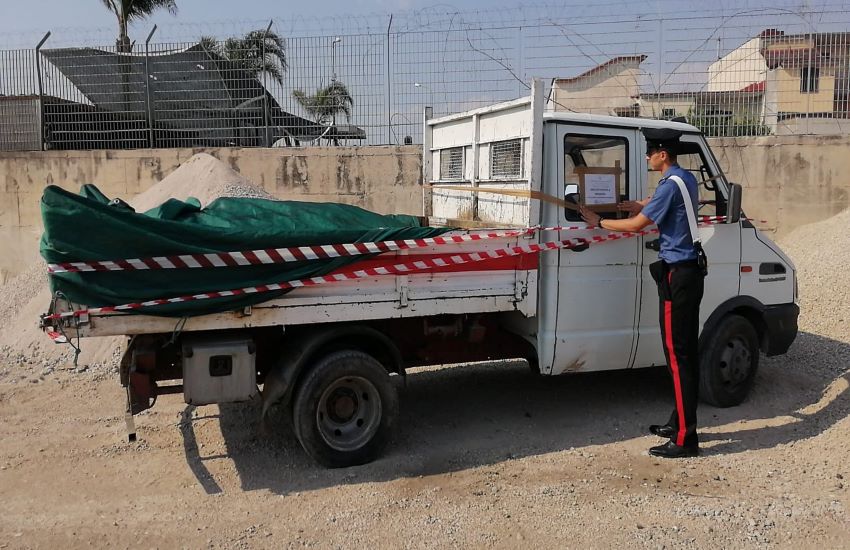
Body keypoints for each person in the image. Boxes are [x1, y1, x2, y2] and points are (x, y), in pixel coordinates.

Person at [579, 128, 705, 459]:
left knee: (678, 357)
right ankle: (679, 419)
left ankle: (684, 439)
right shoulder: (684, 179)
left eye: (651, 153)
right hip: (690, 274)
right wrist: (641, 204)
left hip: (678, 274)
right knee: (685, 353)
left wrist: (598, 221)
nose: (647, 158)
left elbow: (636, 226)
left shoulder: (667, 186)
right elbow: (662, 203)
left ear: (663, 155)